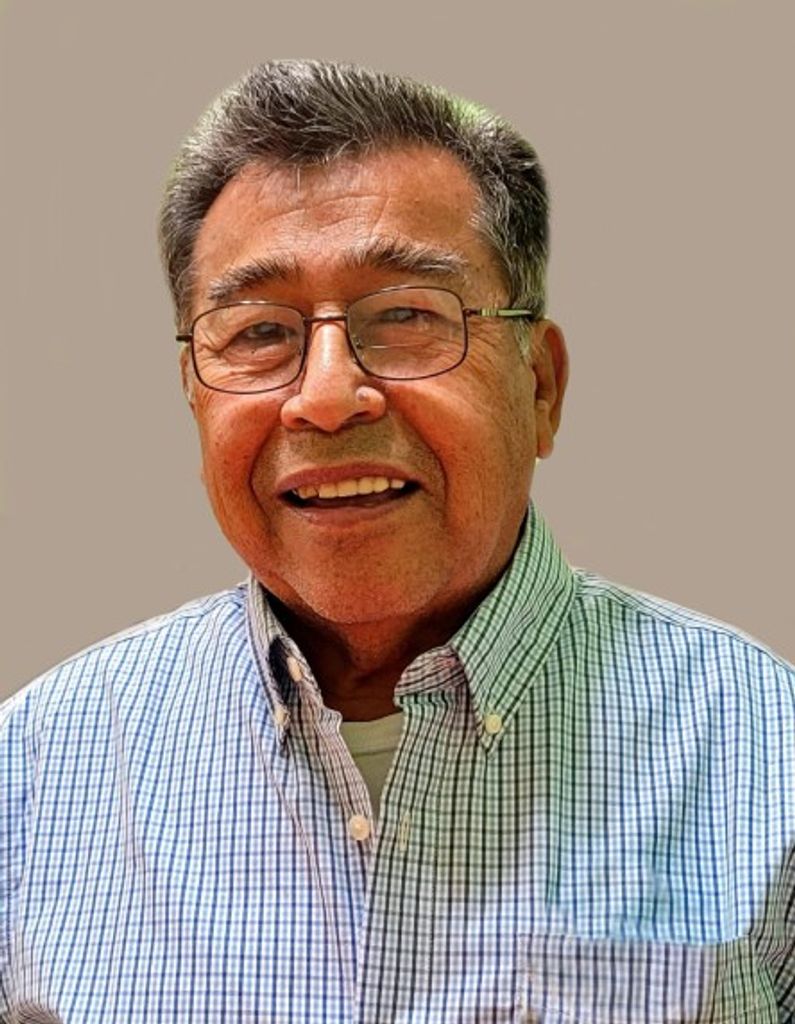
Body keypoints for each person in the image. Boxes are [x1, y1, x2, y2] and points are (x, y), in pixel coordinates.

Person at [1, 59, 793, 1023]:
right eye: (258, 333)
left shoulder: (764, 755)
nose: (327, 396)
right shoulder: (35, 772)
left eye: (407, 316)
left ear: (540, 386)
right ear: (194, 396)